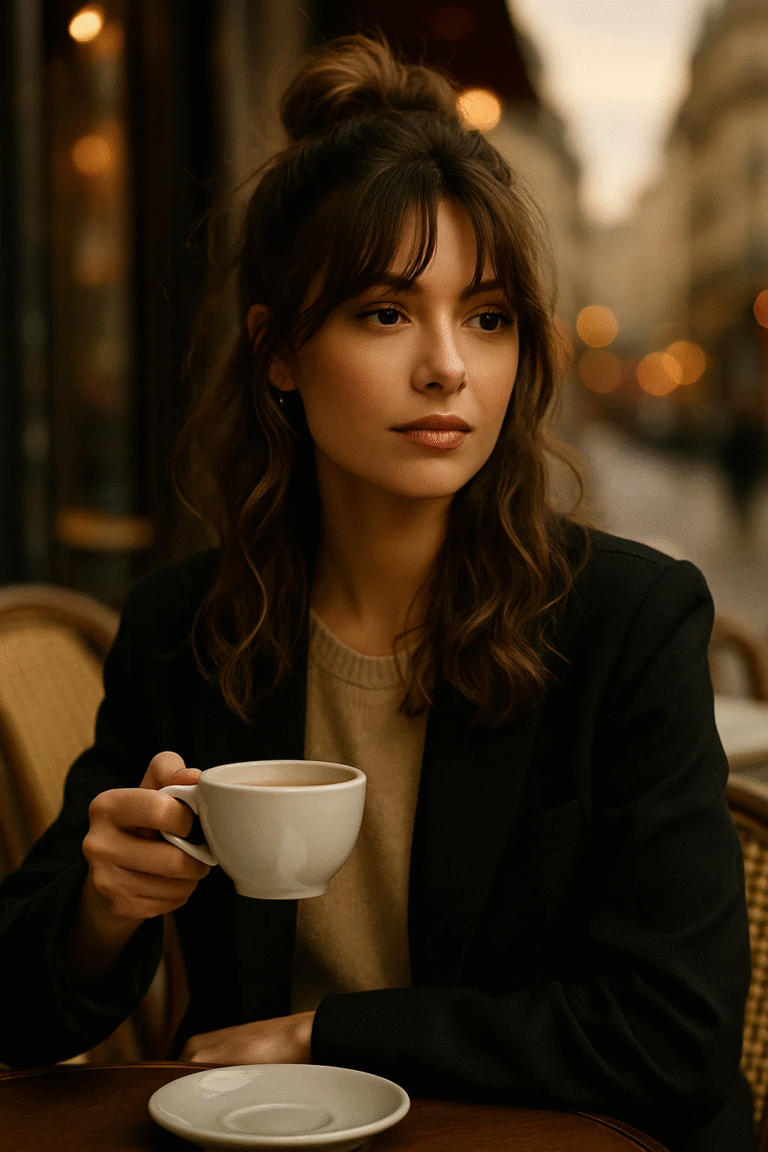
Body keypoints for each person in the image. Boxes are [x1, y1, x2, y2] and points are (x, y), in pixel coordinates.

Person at [0, 29, 755, 1152]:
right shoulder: (185, 630)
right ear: (278, 353)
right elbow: (22, 1013)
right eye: (386, 313)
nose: (448, 365)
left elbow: (674, 1036)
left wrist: (329, 1034)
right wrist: (103, 908)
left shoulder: (624, 622)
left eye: (487, 317)